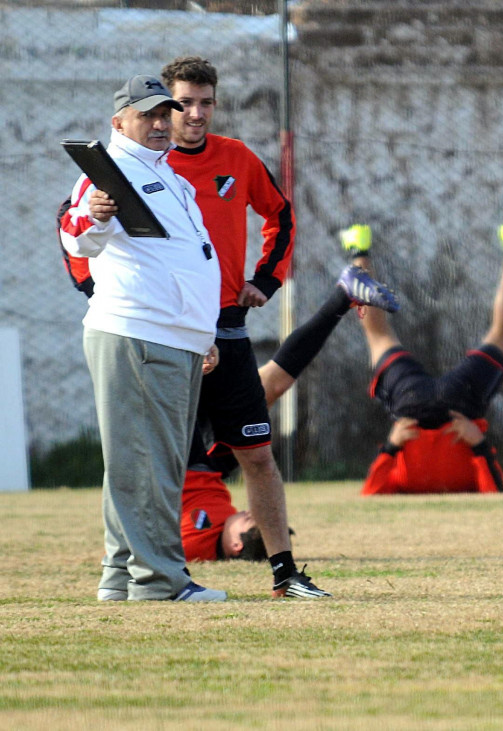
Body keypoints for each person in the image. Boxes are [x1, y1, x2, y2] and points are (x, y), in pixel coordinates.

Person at [159, 55, 341, 597]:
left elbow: (279, 215)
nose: (195, 114)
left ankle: (287, 574)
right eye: (185, 103)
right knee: (162, 459)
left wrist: (266, 279)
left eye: (205, 103)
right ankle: (162, 574)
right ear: (167, 105)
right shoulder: (148, 166)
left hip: (228, 328)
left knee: (257, 455)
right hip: (169, 330)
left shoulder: (235, 158)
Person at [58, 75, 224, 601]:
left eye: (163, 113)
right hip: (138, 333)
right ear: (118, 122)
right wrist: (94, 218)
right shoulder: (112, 171)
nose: (159, 123)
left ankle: (120, 576)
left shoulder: (163, 170)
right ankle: (159, 581)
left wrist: (203, 332)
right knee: (150, 461)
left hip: (170, 335)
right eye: (147, 115)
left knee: (141, 460)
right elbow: (78, 231)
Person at [181, 265, 395, 561]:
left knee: (188, 382)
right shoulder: (228, 531)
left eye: (250, 519)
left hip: (179, 462)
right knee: (274, 385)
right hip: (214, 465)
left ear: (236, 546)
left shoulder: (193, 549)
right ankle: (344, 295)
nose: (249, 510)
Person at [344, 221, 503, 495]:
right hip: (450, 413)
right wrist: (477, 443)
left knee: (502, 335)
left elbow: (370, 494)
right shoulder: (417, 485)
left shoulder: (404, 485)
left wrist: (392, 446)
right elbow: (496, 492)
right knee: (378, 336)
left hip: (428, 413)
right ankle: (358, 247)